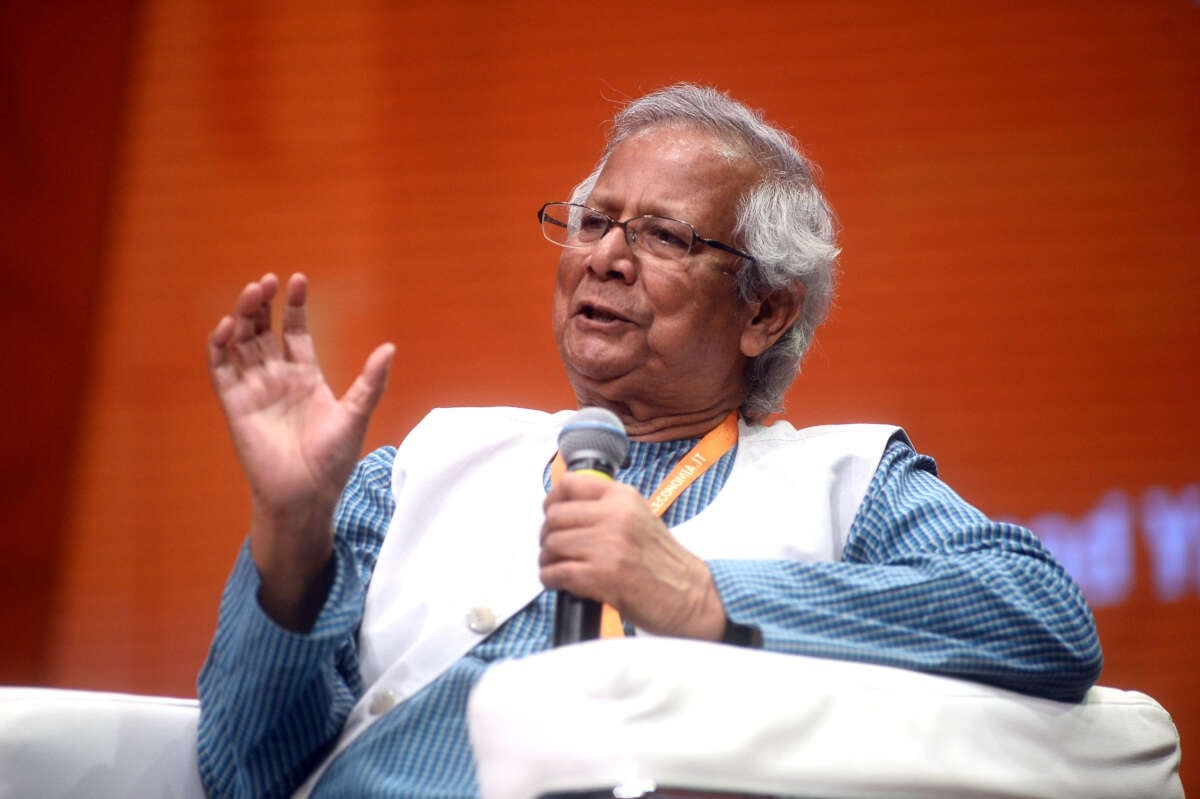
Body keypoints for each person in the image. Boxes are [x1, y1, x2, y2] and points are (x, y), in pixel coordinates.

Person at [197, 83, 1102, 798]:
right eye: (593, 221)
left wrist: (702, 595)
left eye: (664, 234)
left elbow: (1042, 616)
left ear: (765, 310)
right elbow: (243, 772)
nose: (605, 257)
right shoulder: (422, 467)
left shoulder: (847, 482)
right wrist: (289, 534)